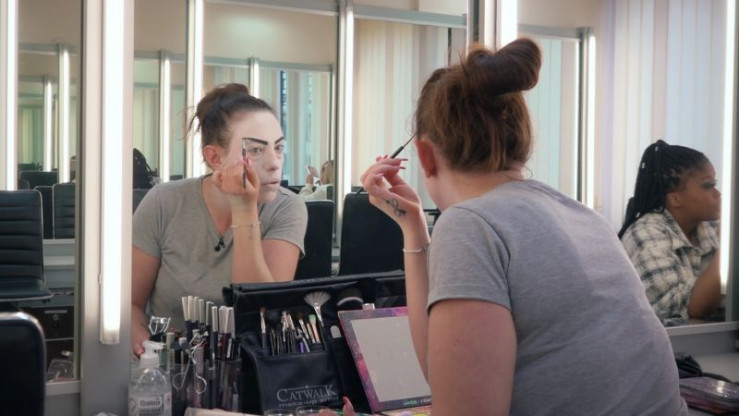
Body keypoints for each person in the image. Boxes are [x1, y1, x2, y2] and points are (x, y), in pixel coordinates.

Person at [323, 39, 686, 416]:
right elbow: (440, 373)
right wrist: (413, 227)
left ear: (425, 156)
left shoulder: (471, 226)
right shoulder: (583, 216)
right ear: (521, 141)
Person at [131, 83, 308, 355]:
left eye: (279, 148)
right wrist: (154, 357)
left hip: (250, 364)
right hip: (167, 363)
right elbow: (130, 304)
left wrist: (244, 210)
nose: (275, 163)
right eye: (256, 150)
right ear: (214, 157)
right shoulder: (163, 202)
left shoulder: (287, 208)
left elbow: (262, 312)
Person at [619, 140, 721, 324]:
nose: (718, 193)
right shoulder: (645, 235)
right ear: (675, 199)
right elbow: (690, 308)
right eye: (708, 185)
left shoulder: (709, 227)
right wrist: (730, 249)